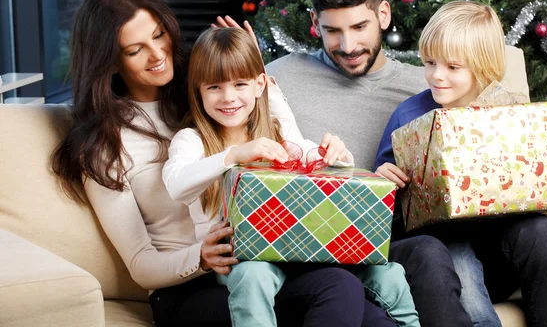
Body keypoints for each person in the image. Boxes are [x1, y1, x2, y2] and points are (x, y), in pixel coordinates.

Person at [51, 0, 408, 327]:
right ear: (109, 61)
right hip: (190, 286)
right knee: (330, 292)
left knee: (358, 300)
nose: (158, 54)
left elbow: (282, 138)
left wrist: (256, 75)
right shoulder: (103, 146)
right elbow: (141, 263)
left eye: (159, 35)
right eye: (135, 49)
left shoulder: (202, 95)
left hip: (255, 259)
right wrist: (202, 257)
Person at [264, 0, 473, 327]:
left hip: (392, 244)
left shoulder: (425, 87)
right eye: (332, 30)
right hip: (309, 251)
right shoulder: (280, 78)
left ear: (384, 14)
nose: (348, 46)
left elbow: (497, 160)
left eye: (359, 27)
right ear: (314, 22)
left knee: (427, 251)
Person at [161, 27, 420, 327]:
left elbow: (311, 156)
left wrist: (337, 154)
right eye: (214, 87)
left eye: (240, 84)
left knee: (386, 271)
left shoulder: (276, 131)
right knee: (253, 277)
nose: (228, 97)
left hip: (296, 249)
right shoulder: (191, 140)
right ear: (198, 90)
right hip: (244, 259)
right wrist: (232, 156)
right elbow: (177, 185)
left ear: (259, 86)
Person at [374, 0, 547, 326]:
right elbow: (384, 213)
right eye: (430, 62)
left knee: (538, 231)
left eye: (453, 67)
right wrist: (385, 181)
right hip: (446, 247)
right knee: (458, 253)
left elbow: (540, 192)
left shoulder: (507, 113)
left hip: (504, 250)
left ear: (483, 67)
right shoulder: (408, 117)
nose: (437, 76)